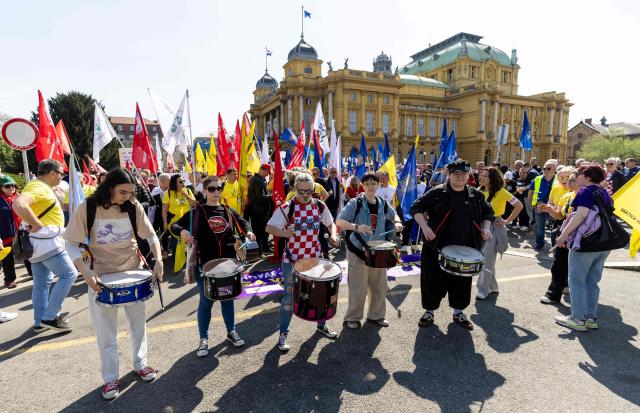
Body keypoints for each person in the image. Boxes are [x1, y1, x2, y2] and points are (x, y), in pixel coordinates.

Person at [64, 168, 164, 400]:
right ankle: (110, 378)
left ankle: (141, 364)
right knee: (106, 334)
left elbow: (150, 236)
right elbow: (71, 244)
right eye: (123, 192)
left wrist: (158, 260)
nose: (127, 197)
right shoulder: (88, 207)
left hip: (133, 273)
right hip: (100, 279)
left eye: (131, 192)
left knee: (138, 326)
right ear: (109, 187)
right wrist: (85, 271)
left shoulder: (133, 205)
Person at [173, 175, 256, 357]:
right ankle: (203, 338)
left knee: (227, 299)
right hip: (204, 265)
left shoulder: (227, 210)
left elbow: (243, 222)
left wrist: (249, 232)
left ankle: (231, 331)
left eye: (219, 188)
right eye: (212, 189)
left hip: (227, 265)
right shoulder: (197, 212)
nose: (216, 192)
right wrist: (184, 232)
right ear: (204, 191)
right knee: (206, 302)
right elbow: (175, 226)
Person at [410, 160, 493, 330]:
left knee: (461, 283)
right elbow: (416, 208)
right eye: (456, 174)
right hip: (436, 246)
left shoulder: (475, 195)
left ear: (469, 174)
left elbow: (488, 212)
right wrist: (425, 228)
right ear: (449, 175)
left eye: (464, 173)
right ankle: (429, 312)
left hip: (467, 248)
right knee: (432, 281)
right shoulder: (438, 193)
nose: (461, 177)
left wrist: (486, 228)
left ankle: (459, 312)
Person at [266, 172, 340, 351]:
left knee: (320, 294)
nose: (306, 195)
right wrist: (285, 233)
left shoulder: (320, 206)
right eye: (301, 191)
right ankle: (283, 334)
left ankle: (321, 325)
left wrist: (334, 234)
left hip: (314, 260)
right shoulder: (287, 207)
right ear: (294, 188)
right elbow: (269, 227)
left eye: (309, 191)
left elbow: (331, 223)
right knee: (289, 299)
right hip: (291, 260)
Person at [13, 159, 78, 333]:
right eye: (61, 173)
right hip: (47, 243)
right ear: (52, 173)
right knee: (69, 274)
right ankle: (50, 316)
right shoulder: (38, 187)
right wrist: (37, 224)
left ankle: (40, 320)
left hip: (39, 245)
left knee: (42, 283)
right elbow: (18, 204)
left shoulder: (38, 186)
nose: (62, 176)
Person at [336, 172, 402, 329]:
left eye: (374, 183)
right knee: (359, 287)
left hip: (378, 250)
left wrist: (397, 222)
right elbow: (339, 221)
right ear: (362, 185)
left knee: (379, 286)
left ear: (378, 185)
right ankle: (352, 317)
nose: (371, 186)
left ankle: (376, 315)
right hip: (358, 250)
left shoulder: (382, 203)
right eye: (367, 183)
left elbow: (394, 216)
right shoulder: (355, 202)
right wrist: (356, 227)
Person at [554, 165, 611, 331]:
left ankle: (577, 319)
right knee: (593, 280)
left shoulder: (585, 191)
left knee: (577, 280)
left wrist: (563, 235)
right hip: (604, 242)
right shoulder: (604, 192)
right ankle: (590, 318)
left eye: (578, 174)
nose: (576, 176)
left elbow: (581, 215)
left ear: (587, 176)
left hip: (586, 242)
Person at [476, 167, 523, 300]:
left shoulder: (501, 192)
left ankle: (483, 290)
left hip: (494, 227)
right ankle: (493, 286)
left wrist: (507, 221)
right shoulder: (478, 191)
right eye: (481, 175)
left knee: (486, 259)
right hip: (480, 227)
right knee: (486, 259)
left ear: (493, 178)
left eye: (485, 176)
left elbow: (519, 205)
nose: (482, 178)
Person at [539, 171, 579, 304]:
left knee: (576, 269)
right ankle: (553, 294)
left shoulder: (586, 197)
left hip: (579, 237)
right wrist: (549, 209)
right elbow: (560, 215)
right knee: (558, 265)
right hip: (564, 234)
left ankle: (579, 300)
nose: (568, 182)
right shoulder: (566, 196)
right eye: (568, 180)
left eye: (572, 180)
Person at [162, 174, 197, 257]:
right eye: (180, 182)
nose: (183, 183)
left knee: (189, 241)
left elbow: (195, 204)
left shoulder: (187, 190)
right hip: (175, 222)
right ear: (174, 183)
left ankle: (189, 261)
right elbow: (164, 210)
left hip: (188, 220)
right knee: (176, 242)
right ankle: (176, 260)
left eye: (183, 181)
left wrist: (186, 195)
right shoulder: (168, 193)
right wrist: (165, 223)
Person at [528, 161, 558, 251]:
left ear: (554, 170)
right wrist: (531, 204)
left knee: (555, 227)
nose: (545, 170)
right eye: (544, 168)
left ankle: (555, 246)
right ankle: (539, 244)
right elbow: (530, 192)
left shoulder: (559, 180)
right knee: (540, 227)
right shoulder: (537, 179)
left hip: (553, 207)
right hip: (539, 206)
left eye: (548, 168)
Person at [247, 164, 273, 256]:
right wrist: (271, 197)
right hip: (260, 211)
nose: (267, 175)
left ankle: (262, 249)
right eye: (267, 173)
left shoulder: (255, 179)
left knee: (259, 231)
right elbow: (261, 198)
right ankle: (261, 251)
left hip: (256, 210)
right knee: (261, 232)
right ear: (262, 170)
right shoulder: (259, 181)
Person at [0, 175, 21, 288]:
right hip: (5, 235)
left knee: (26, 254)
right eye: (7, 186)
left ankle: (33, 274)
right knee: (7, 260)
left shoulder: (18, 196)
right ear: (1, 187)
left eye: (13, 185)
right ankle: (9, 280)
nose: (11, 188)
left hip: (20, 232)